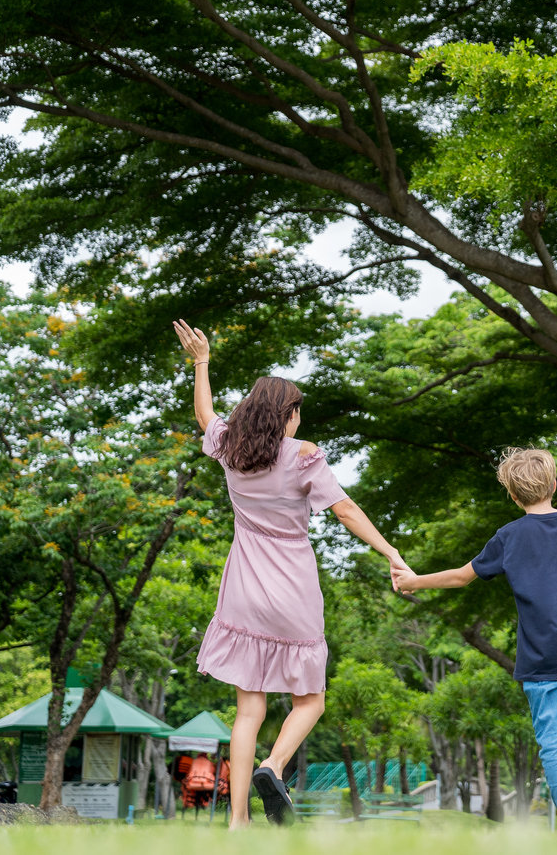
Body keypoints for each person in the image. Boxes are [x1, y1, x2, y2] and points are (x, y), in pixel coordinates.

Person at [172, 320, 408, 829]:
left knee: (248, 710)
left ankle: (238, 823)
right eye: (298, 411)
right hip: (293, 586)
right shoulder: (302, 456)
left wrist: (201, 362)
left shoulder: (231, 449)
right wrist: (390, 550)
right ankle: (274, 765)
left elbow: (205, 415)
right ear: (288, 414)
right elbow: (345, 510)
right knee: (310, 700)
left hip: (243, 587)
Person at [391, 447, 557, 836]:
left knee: (554, 739)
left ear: (514, 496)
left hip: (538, 656)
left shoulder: (508, 537)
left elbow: (461, 577)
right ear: (553, 485)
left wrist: (414, 581)